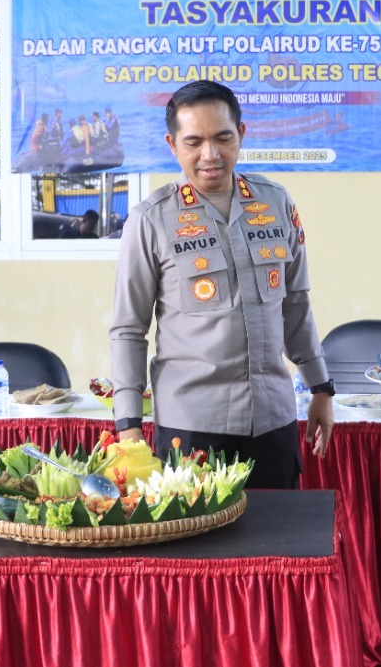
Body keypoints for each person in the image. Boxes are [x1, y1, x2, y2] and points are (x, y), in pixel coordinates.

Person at [109, 80, 334, 487]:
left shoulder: (275, 202)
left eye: (223, 138)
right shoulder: (150, 219)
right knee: (200, 550)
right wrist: (127, 424)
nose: (210, 155)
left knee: (277, 547)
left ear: (241, 135)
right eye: (193, 142)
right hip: (192, 428)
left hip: (272, 421)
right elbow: (128, 328)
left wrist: (321, 387)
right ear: (172, 144)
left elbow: (295, 303)